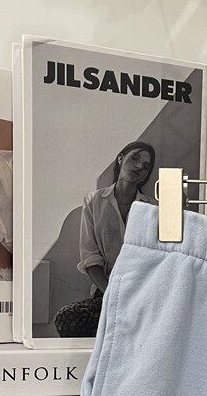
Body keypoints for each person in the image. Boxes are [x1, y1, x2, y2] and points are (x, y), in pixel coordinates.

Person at [54, 141, 155, 338]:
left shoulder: (152, 208)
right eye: (135, 158)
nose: (139, 167)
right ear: (120, 158)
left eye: (145, 165)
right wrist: (111, 294)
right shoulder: (93, 201)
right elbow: (90, 257)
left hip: (142, 292)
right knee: (66, 318)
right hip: (106, 291)